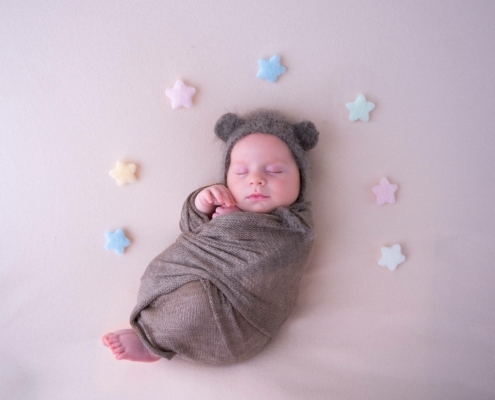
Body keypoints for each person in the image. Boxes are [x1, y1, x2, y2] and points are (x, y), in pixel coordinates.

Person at [102, 110, 319, 365]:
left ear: (300, 179)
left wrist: (233, 224)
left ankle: (154, 345)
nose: (256, 180)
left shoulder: (296, 228)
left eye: (274, 170)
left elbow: (274, 260)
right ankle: (152, 328)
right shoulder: (221, 200)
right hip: (189, 273)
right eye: (241, 172)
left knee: (197, 305)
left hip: (241, 319)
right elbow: (190, 228)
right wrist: (201, 204)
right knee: (160, 275)